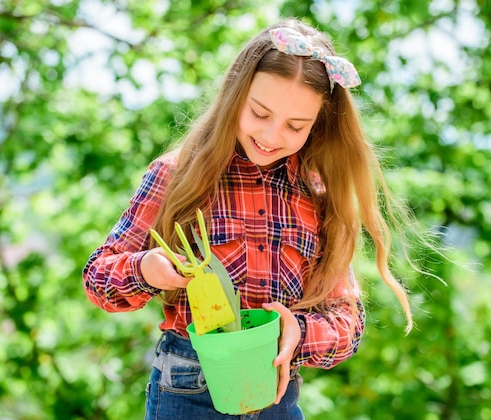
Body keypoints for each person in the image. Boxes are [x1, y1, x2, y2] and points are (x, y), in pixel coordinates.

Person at [83, 18, 420, 419]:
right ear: (235, 95)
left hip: (278, 395)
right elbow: (97, 279)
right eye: (260, 113)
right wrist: (146, 270)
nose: (272, 135)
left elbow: (346, 322)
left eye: (296, 126)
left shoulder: (319, 195)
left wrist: (299, 332)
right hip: (188, 388)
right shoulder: (178, 174)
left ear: (318, 124)